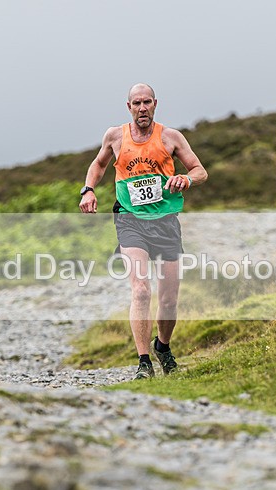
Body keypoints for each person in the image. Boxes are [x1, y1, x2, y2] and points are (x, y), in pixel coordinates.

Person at [79, 83, 208, 380]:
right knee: (140, 290)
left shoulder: (171, 137)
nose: (142, 108)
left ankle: (163, 347)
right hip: (130, 220)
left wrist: (186, 180)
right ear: (129, 107)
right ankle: (144, 363)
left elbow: (200, 170)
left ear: (155, 104)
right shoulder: (115, 136)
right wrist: (88, 190)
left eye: (147, 102)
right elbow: (98, 165)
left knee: (169, 300)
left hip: (165, 222)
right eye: (136, 103)